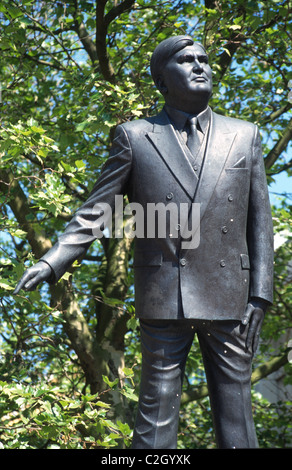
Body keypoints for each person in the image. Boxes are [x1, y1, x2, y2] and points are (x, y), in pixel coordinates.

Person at [14, 35, 274, 449]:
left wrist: (261, 296)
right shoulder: (135, 136)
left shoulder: (245, 135)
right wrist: (53, 260)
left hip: (231, 297)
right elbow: (97, 211)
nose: (199, 65)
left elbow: (260, 222)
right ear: (160, 79)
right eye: (186, 60)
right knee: (155, 422)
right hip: (164, 294)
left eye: (203, 59)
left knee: (238, 419)